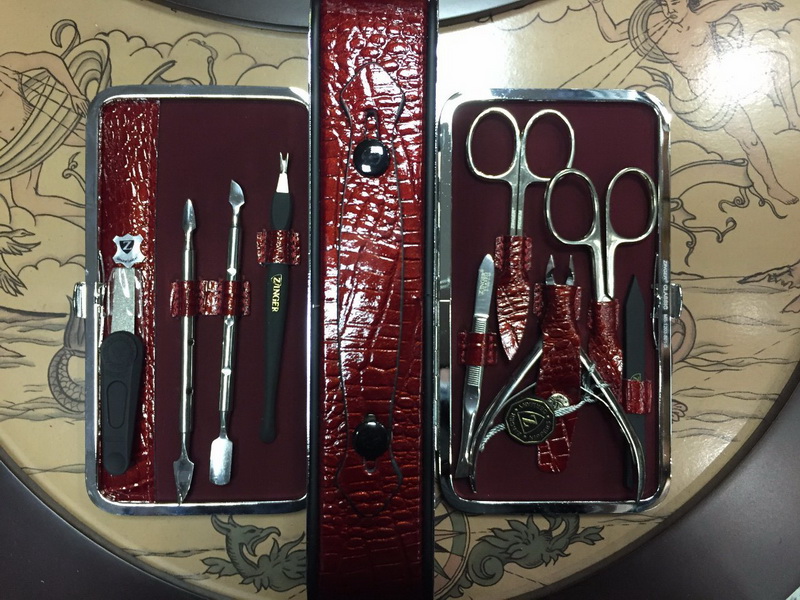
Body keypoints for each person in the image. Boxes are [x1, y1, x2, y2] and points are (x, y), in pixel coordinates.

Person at [589, 0, 799, 205]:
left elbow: (738, 2)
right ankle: (772, 185)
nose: (669, 10)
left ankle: (792, 123)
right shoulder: (651, 23)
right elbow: (613, 34)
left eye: (675, 3)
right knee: (747, 138)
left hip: (725, 81)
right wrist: (597, 6)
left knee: (778, 63)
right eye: (664, 4)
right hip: (700, 97)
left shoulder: (704, 14)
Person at [0, 51, 89, 223]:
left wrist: (74, 93)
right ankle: (90, 213)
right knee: (26, 200)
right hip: (19, 147)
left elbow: (47, 60)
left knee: (100, 139)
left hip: (41, 128)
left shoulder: (6, 64)